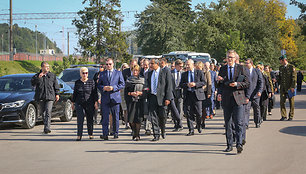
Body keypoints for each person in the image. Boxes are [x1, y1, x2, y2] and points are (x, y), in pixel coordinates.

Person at [217, 50, 249, 154]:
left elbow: (247, 83)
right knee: (228, 123)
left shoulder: (241, 68)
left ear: (235, 58)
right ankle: (229, 145)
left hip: (238, 98)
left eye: (231, 57)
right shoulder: (222, 69)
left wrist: (236, 84)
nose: (230, 59)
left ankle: (239, 143)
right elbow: (220, 84)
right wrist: (219, 93)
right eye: (228, 57)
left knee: (239, 122)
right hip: (227, 99)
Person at [98, 58, 125, 140]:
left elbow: (122, 84)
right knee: (105, 117)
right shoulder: (102, 74)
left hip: (115, 98)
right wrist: (104, 88)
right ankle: (105, 134)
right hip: (105, 98)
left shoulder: (118, 73)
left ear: (113, 64)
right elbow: (98, 85)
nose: (108, 66)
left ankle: (116, 133)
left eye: (110, 64)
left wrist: (113, 88)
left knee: (116, 117)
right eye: (107, 64)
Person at [146, 58, 173, 141]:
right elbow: (148, 85)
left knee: (162, 116)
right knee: (153, 116)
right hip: (152, 97)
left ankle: (163, 130)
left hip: (162, 97)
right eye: (150, 63)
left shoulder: (165, 72)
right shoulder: (149, 73)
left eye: (152, 63)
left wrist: (168, 98)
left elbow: (169, 86)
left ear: (157, 64)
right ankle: (156, 134)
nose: (150, 65)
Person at [31, 62, 60, 134]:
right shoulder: (37, 76)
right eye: (46, 67)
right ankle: (46, 125)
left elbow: (56, 85)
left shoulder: (52, 75)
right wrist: (38, 78)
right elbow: (32, 83)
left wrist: (57, 94)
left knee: (48, 111)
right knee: (43, 113)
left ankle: (47, 128)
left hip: (50, 96)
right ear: (42, 67)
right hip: (41, 96)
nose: (48, 68)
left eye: (48, 66)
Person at [180, 59, 206, 136]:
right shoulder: (184, 74)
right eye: (186, 65)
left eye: (188, 65)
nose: (187, 66)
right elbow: (181, 84)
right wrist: (187, 84)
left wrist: (195, 84)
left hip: (197, 95)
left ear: (193, 65)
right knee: (188, 113)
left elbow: (203, 82)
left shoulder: (199, 72)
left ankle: (198, 125)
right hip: (188, 95)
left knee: (198, 113)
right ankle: (191, 130)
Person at [72, 67, 98, 141]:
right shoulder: (77, 82)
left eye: (86, 73)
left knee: (90, 119)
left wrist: (96, 102)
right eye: (83, 73)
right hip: (79, 103)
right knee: (80, 119)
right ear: (80, 74)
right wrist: (73, 103)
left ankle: (90, 133)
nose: (85, 74)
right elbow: (75, 93)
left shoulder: (91, 82)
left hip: (89, 103)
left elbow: (94, 93)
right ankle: (79, 135)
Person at [125, 65, 145, 141]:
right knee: (131, 120)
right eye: (134, 70)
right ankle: (133, 131)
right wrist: (131, 93)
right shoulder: (129, 80)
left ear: (139, 71)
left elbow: (146, 90)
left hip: (140, 101)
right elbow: (126, 92)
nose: (135, 72)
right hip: (131, 101)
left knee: (138, 119)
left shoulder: (142, 80)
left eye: (137, 70)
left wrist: (140, 93)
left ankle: (137, 134)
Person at [244, 58, 263, 136]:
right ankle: (246, 124)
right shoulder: (244, 71)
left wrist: (259, 91)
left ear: (251, 63)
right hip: (247, 94)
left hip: (255, 94)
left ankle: (257, 122)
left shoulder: (257, 71)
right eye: (245, 63)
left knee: (256, 109)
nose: (246, 64)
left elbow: (261, 82)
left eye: (247, 63)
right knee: (246, 110)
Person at [278, 55, 297, 121]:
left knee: (291, 102)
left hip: (289, 87)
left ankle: (291, 116)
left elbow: (294, 78)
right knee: (282, 102)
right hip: (283, 88)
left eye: (281, 61)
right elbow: (280, 77)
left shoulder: (291, 67)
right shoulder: (281, 68)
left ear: (284, 60)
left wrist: (292, 86)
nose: (280, 63)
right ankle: (284, 116)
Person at [170, 59, 184, 131]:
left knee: (179, 109)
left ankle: (180, 124)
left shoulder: (183, 73)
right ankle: (176, 124)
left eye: (182, 66)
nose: (181, 68)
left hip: (180, 92)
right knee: (173, 109)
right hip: (172, 92)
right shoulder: (171, 73)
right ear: (176, 66)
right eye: (180, 66)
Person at [120, 63, 129, 129]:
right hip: (122, 92)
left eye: (125, 67)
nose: (124, 68)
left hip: (129, 92)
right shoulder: (120, 74)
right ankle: (126, 123)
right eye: (123, 67)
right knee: (125, 109)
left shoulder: (130, 73)